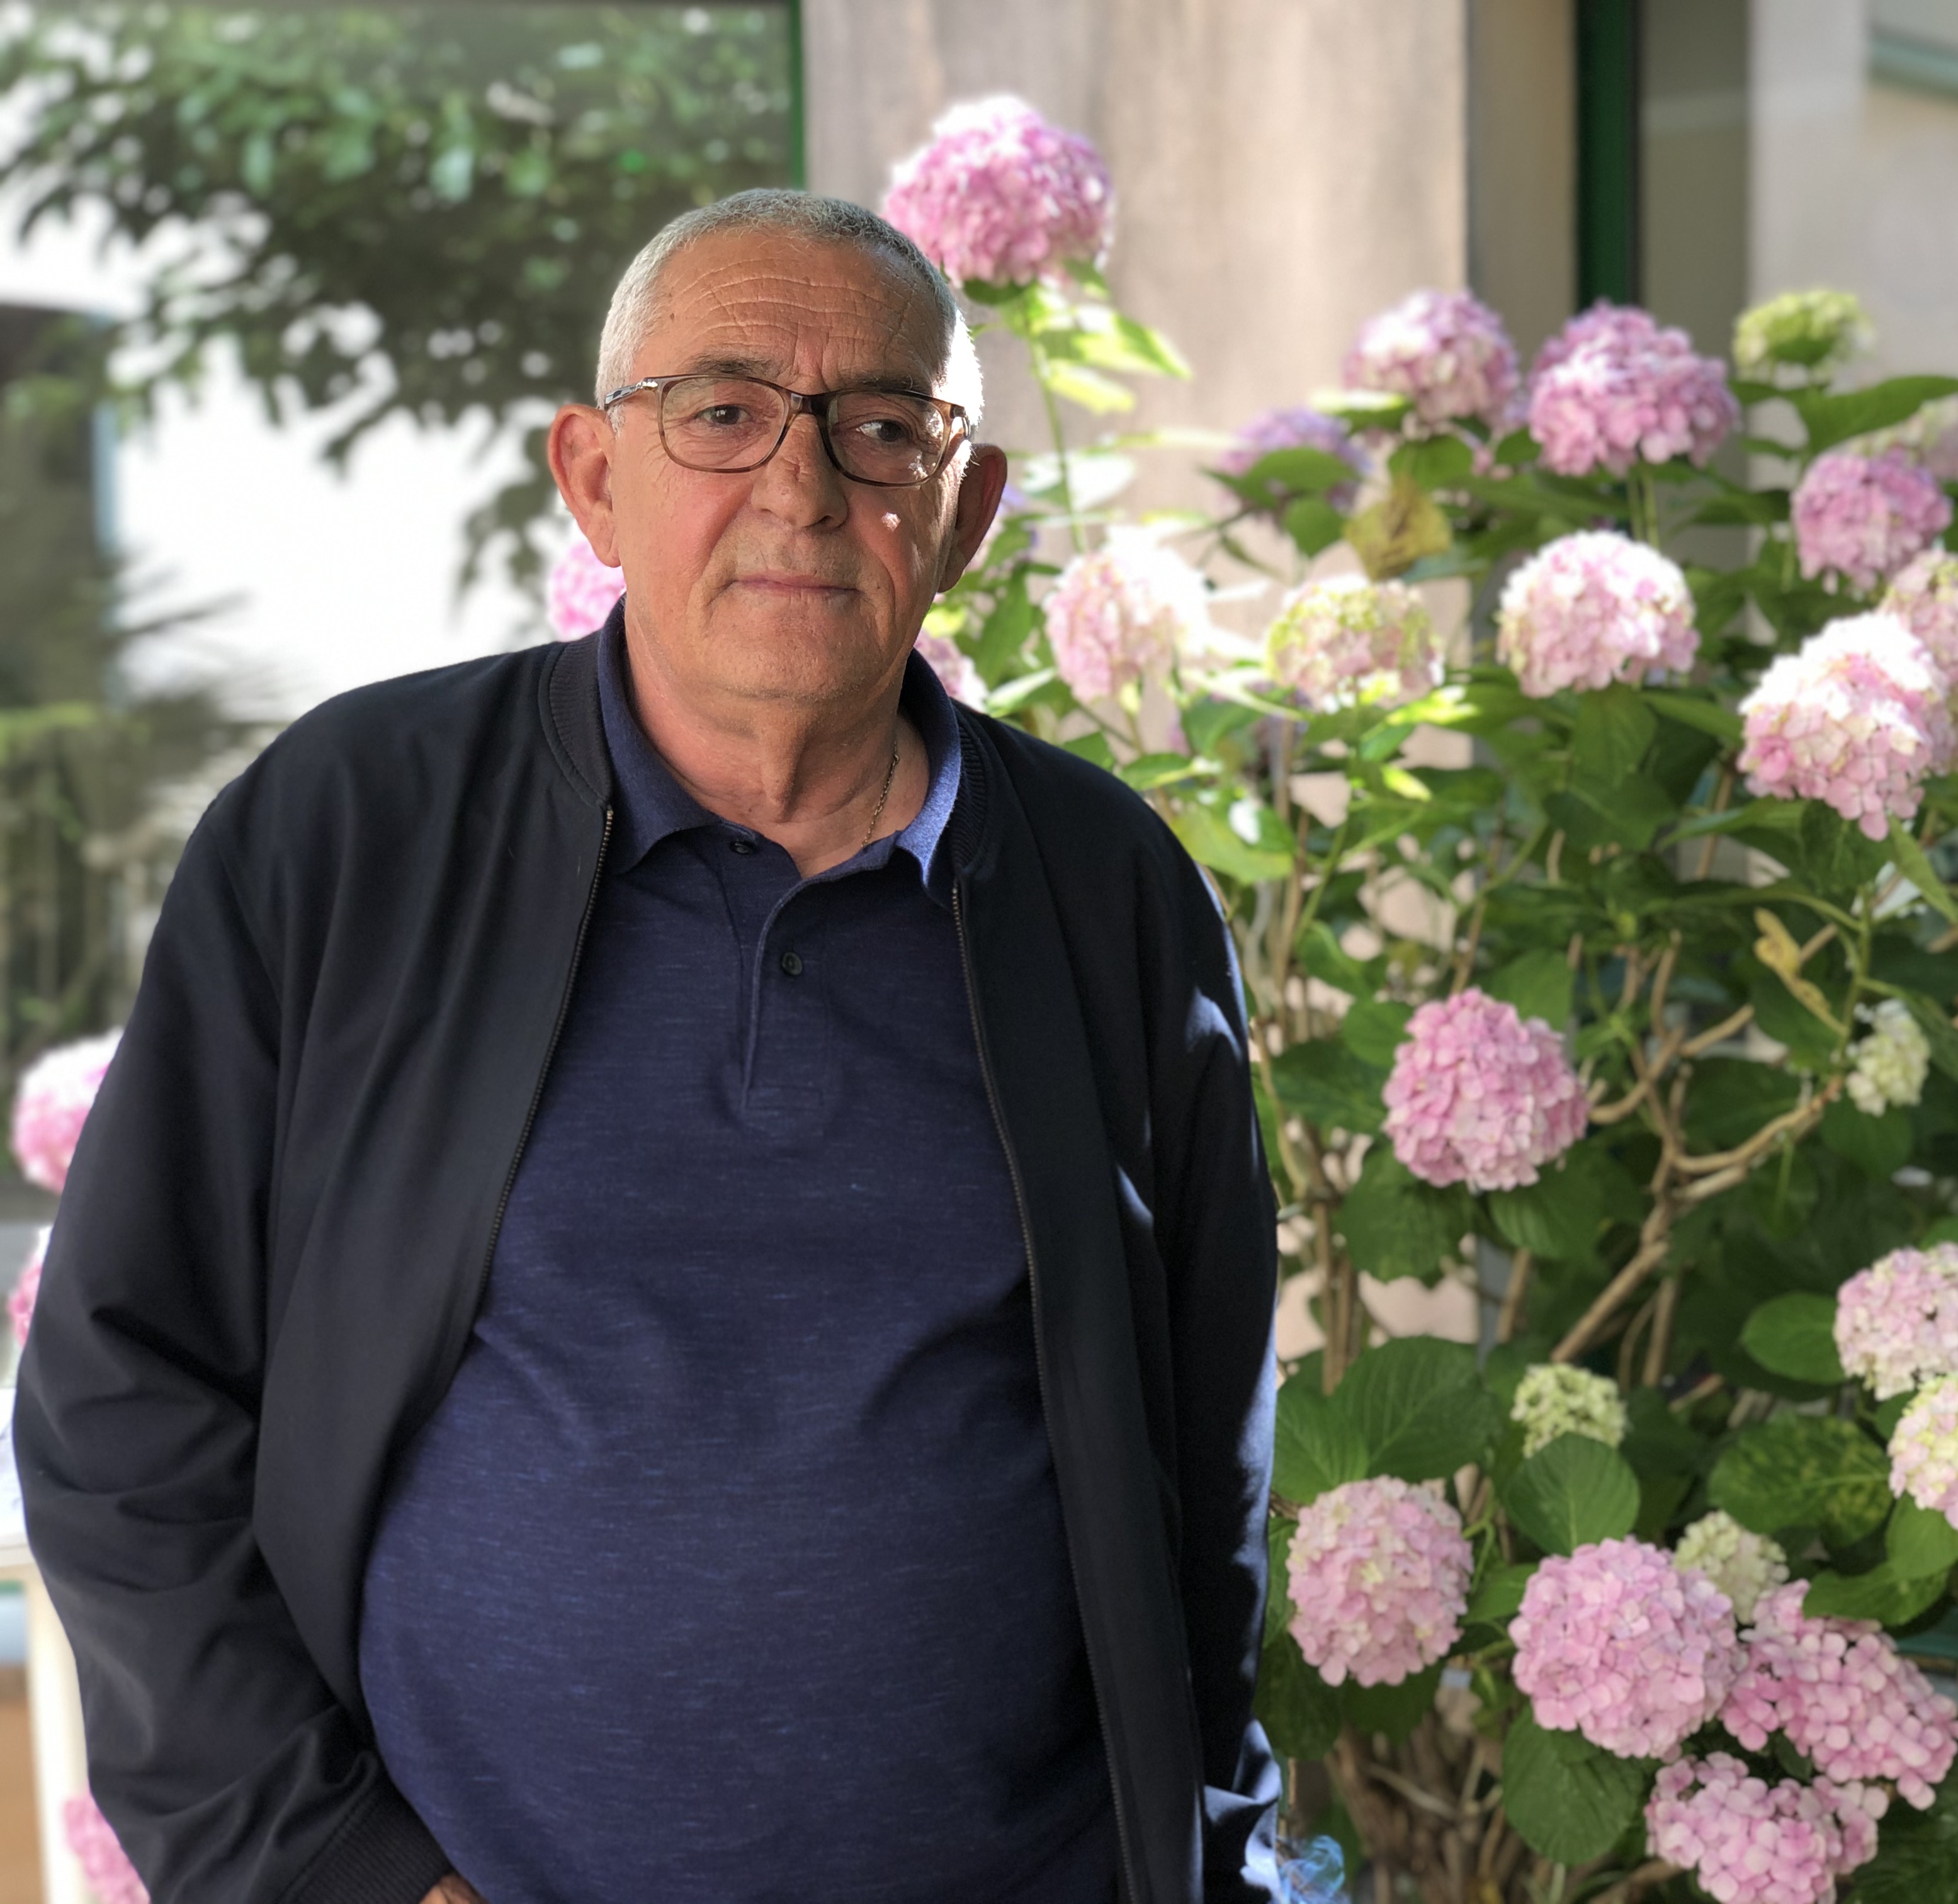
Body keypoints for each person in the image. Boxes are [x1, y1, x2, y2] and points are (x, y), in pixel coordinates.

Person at [14, 189, 1281, 1904]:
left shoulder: (1106, 886)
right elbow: (122, 1396)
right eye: (723, 412)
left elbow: (1206, 1479)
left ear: (968, 508)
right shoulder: (348, 833)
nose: (801, 487)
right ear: (595, 478)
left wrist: (1214, 1860)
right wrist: (334, 1874)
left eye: (881, 428)